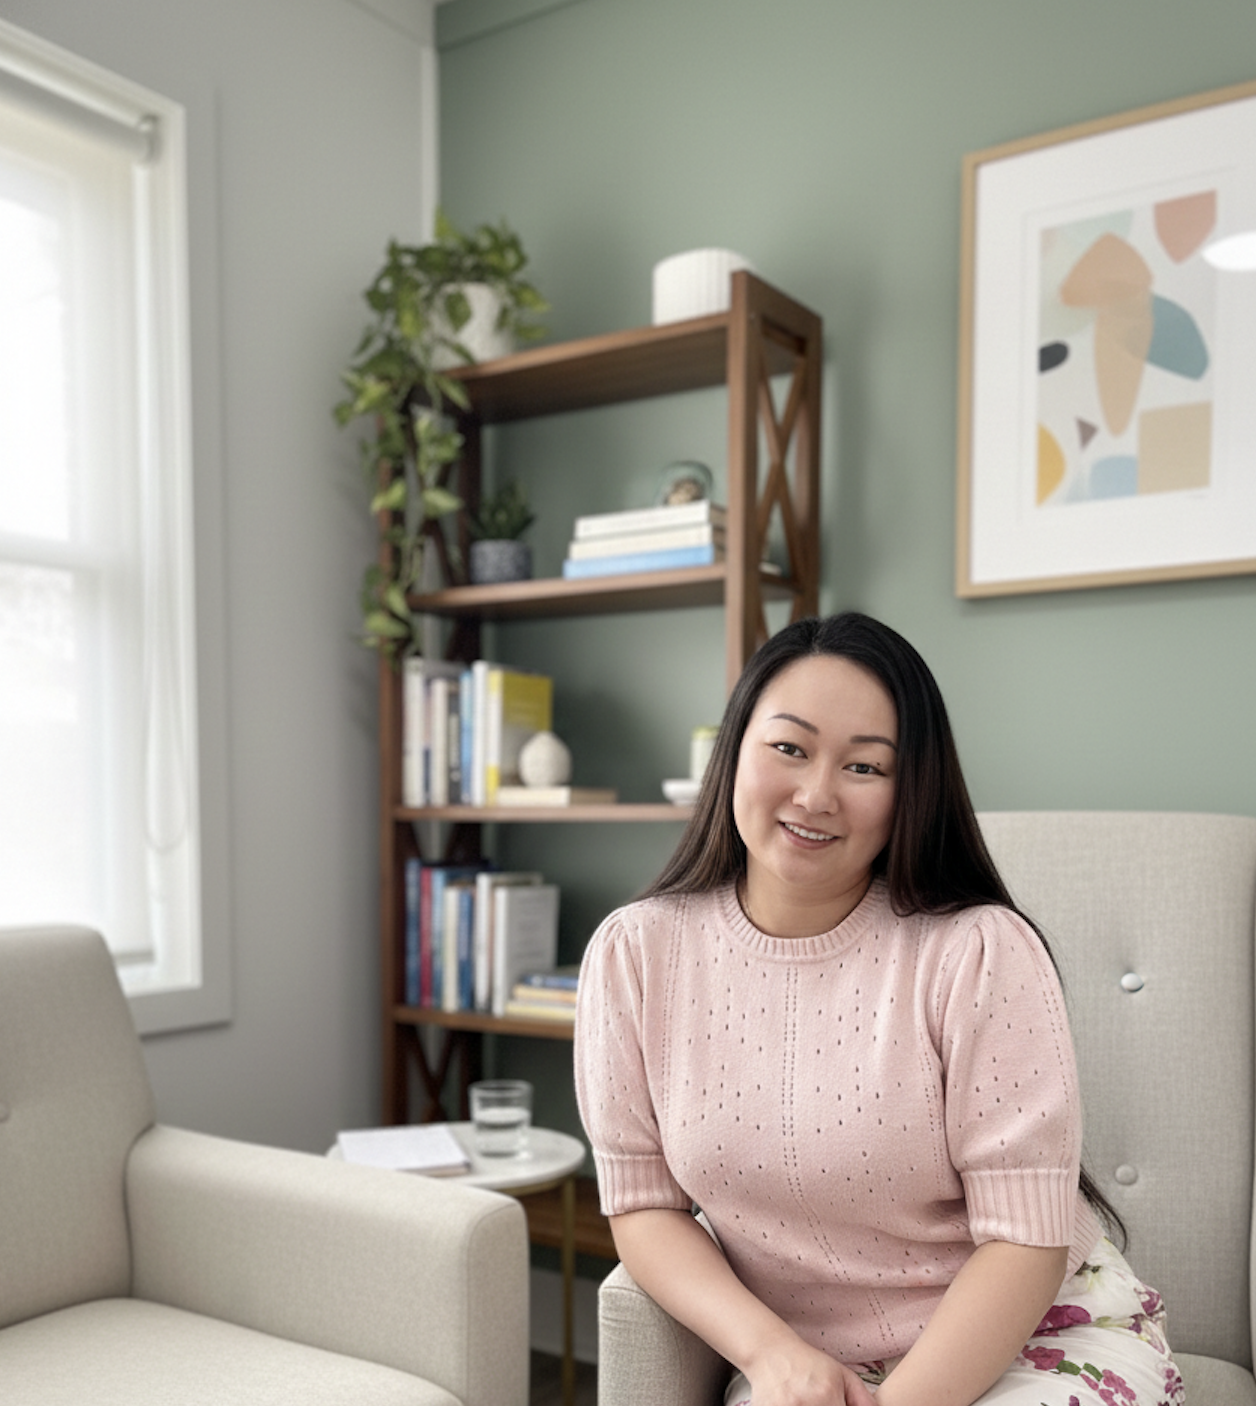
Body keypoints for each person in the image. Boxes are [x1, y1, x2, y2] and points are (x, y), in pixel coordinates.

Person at [574, 612, 1181, 1406]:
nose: (817, 794)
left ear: (909, 792)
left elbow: (1025, 1239)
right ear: (732, 753)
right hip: (815, 1369)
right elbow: (644, 1209)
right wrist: (773, 1356)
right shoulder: (635, 953)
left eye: (865, 768)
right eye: (789, 748)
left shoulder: (978, 951)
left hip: (1039, 1336)